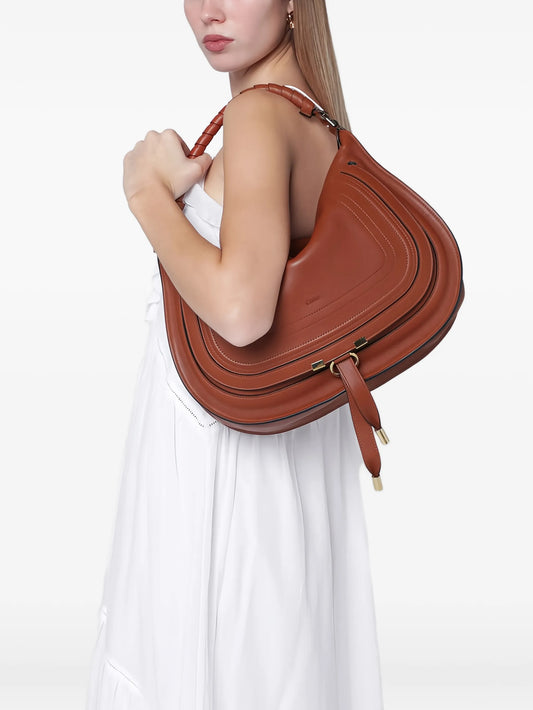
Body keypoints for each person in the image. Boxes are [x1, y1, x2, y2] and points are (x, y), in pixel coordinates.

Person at [85, 1, 384, 708]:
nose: (209, 10)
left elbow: (242, 312)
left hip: (221, 474)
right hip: (271, 470)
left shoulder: (257, 115)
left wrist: (145, 193)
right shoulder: (315, 120)